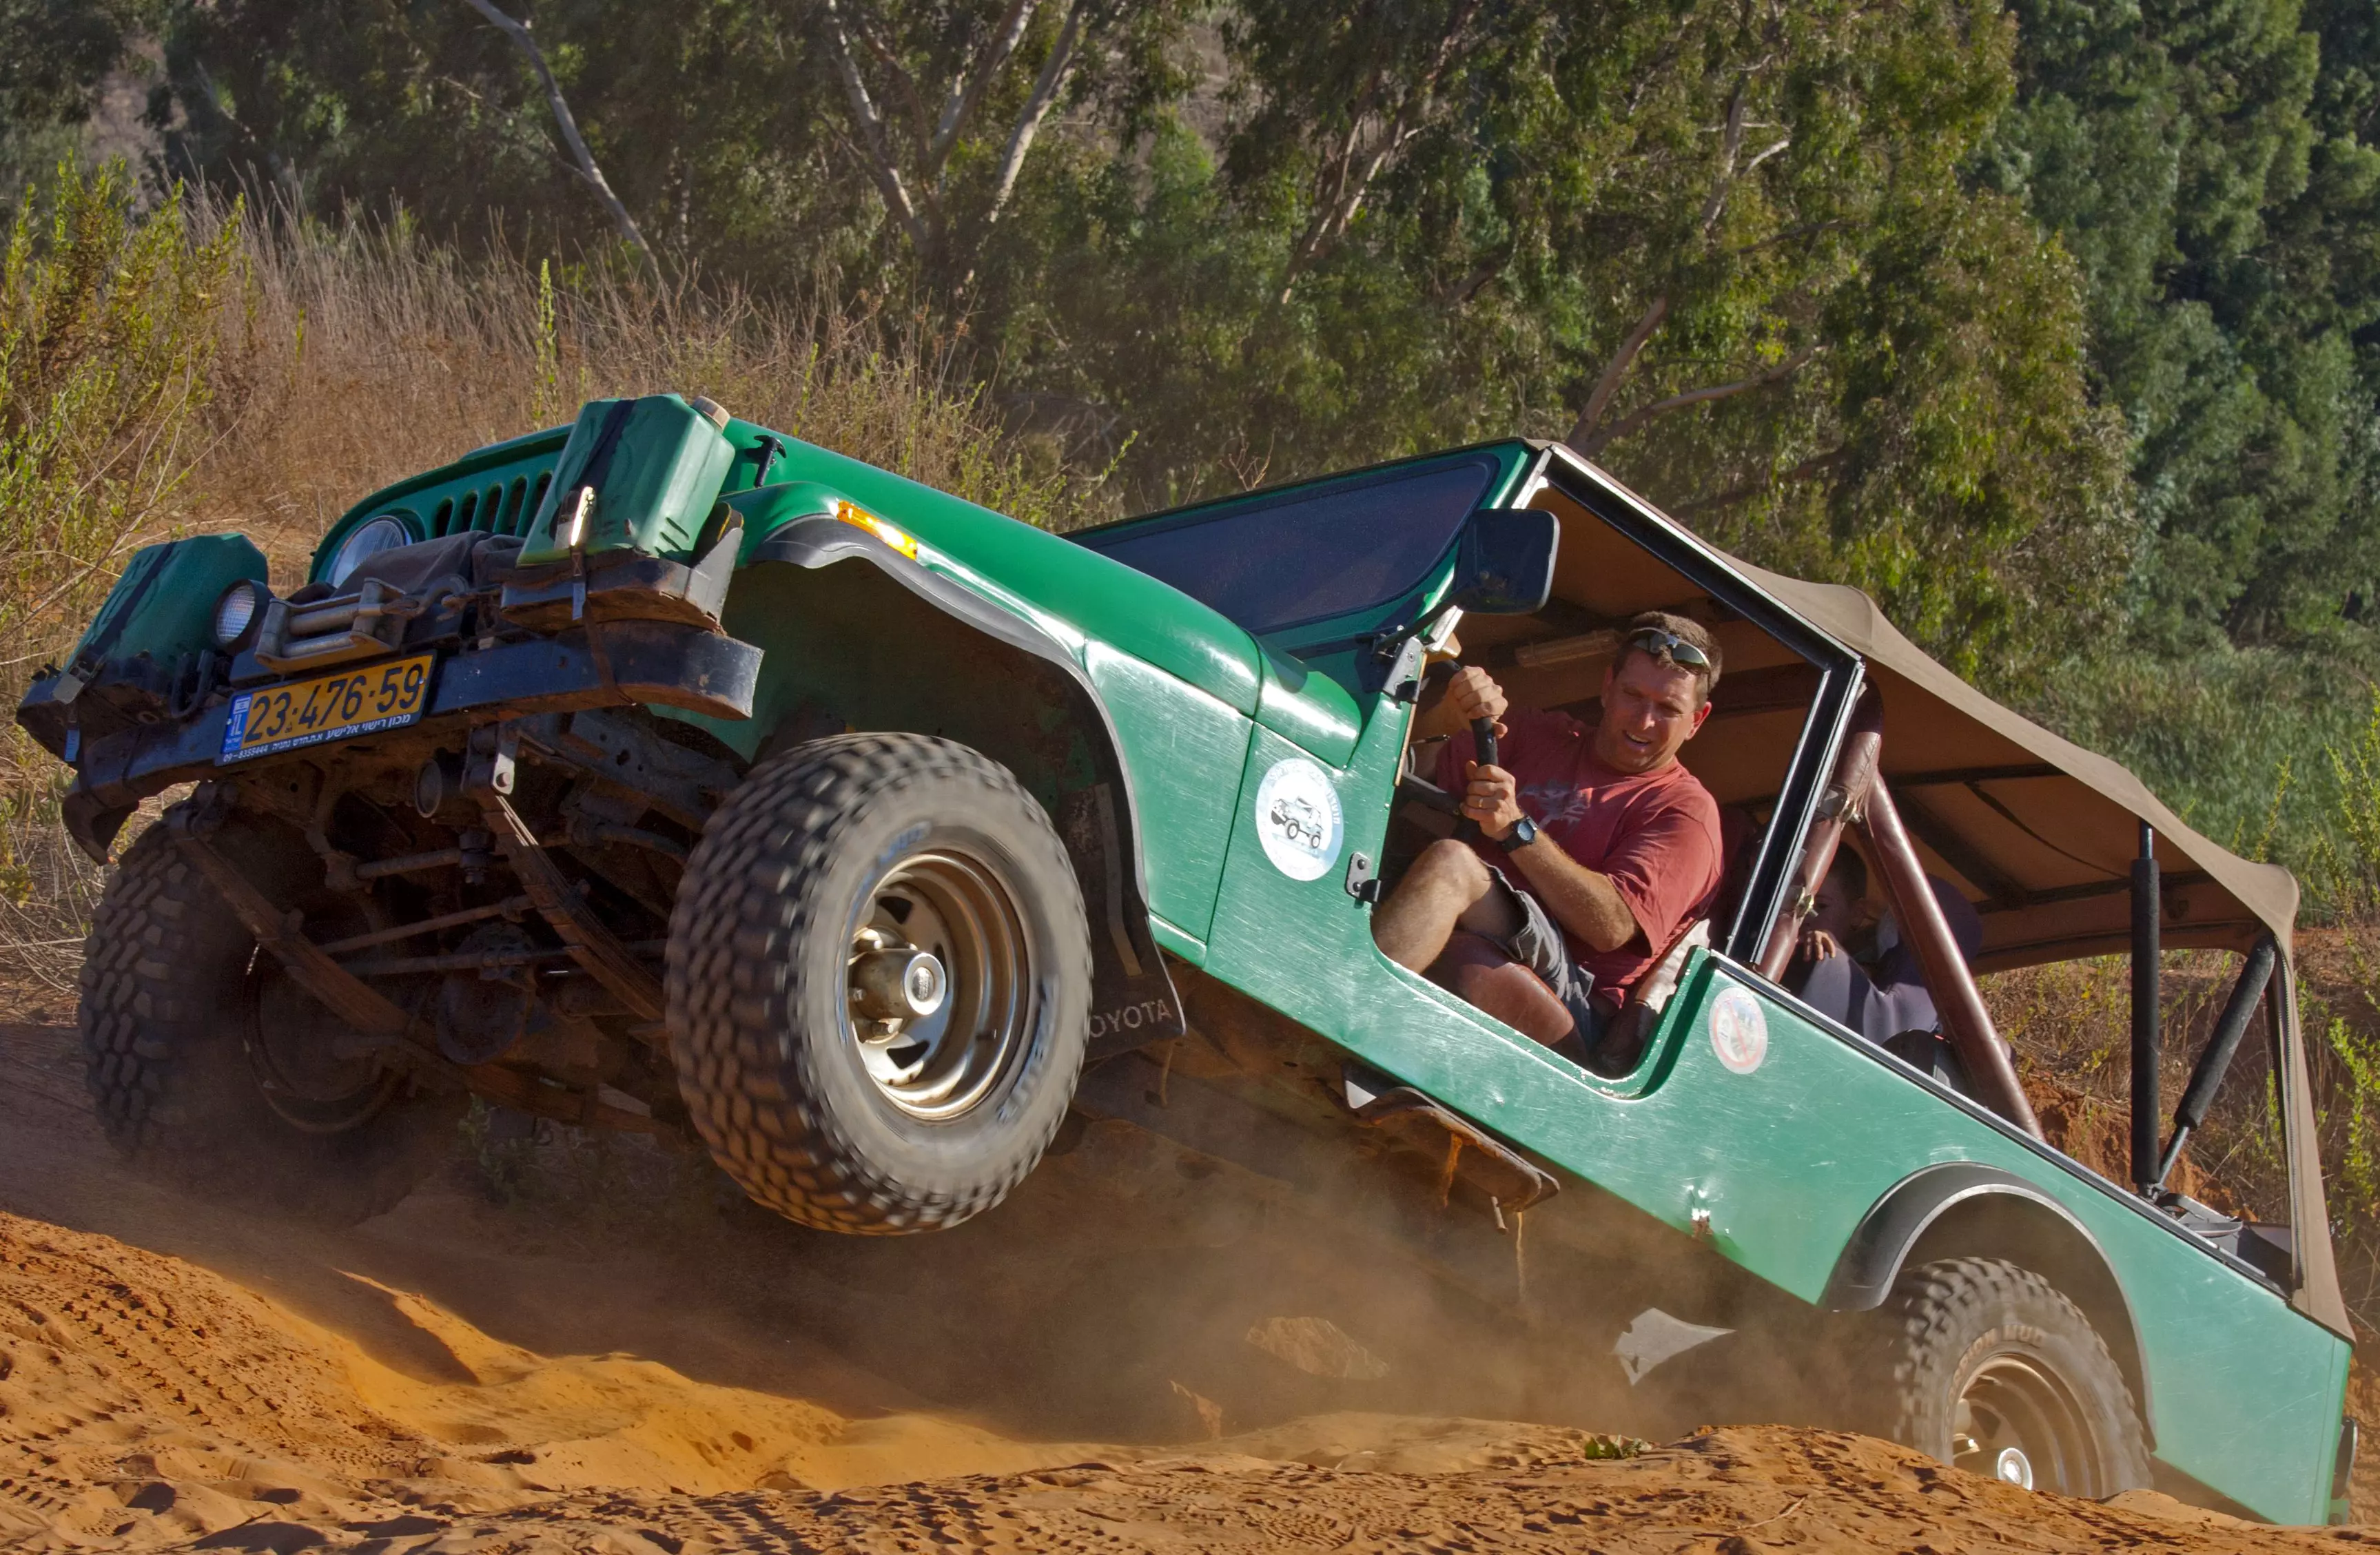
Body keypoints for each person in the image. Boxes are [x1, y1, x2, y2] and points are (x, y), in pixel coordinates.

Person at [1371, 611, 1725, 1069]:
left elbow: (1612, 926)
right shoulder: (1540, 734)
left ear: (1697, 720)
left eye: (1669, 709)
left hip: (1575, 989)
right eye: (1633, 695)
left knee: (1451, 866)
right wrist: (1448, 715)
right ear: (1607, 686)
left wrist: (1516, 829)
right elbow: (1403, 769)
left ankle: (1341, 1008)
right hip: (1493, 925)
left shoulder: (1684, 812)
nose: (1645, 720)